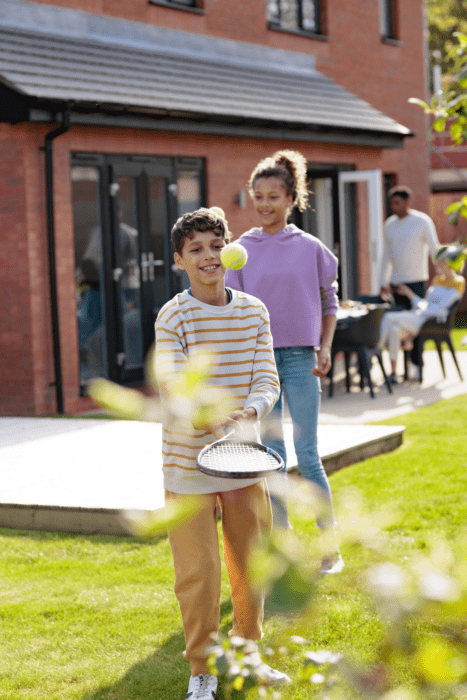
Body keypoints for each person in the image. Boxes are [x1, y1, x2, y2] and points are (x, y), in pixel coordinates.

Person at [154, 208, 290, 700]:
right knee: (199, 573)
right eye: (197, 250)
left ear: (229, 248)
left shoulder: (254, 310)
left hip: (242, 457)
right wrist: (210, 418)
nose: (209, 256)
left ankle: (249, 655)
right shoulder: (174, 315)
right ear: (180, 261)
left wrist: (249, 415)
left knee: (252, 562)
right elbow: (172, 385)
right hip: (186, 461)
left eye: (216, 246)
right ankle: (202, 670)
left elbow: (266, 377)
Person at [225, 150, 343, 575]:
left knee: (308, 454)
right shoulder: (238, 251)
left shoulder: (311, 249)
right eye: (258, 196)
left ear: (291, 197)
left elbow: (330, 301)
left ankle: (331, 548)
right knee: (272, 457)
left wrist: (325, 346)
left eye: (273, 196)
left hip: (301, 360)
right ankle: (285, 548)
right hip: (261, 364)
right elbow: (233, 311)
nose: (264, 204)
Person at [379, 242, 466, 383]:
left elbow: (438, 309)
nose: (436, 264)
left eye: (440, 261)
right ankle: (393, 374)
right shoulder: (438, 280)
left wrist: (418, 305)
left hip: (430, 320)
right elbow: (426, 303)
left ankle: (376, 349)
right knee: (394, 330)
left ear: (448, 262)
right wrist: (409, 294)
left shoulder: (458, 282)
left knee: (388, 317)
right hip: (419, 316)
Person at [379, 186, 440, 379]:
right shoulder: (389, 224)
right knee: (397, 329)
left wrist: (443, 273)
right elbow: (385, 256)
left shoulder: (422, 221)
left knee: (416, 328)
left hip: (417, 283)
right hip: (397, 284)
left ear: (407, 202)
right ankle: (398, 370)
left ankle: (416, 366)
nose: (394, 207)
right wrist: (383, 282)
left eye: (397, 203)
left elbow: (434, 248)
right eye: (392, 203)